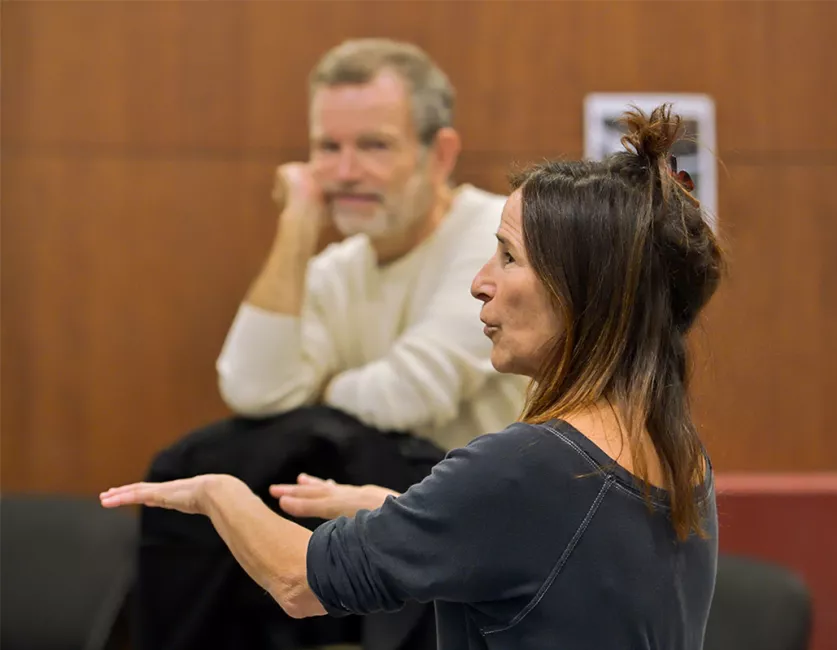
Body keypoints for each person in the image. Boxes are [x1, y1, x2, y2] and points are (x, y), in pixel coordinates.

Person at [104, 103, 725, 649]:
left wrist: (219, 493)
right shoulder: (678, 454)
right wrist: (399, 510)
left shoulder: (531, 465)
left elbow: (298, 580)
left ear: (583, 294)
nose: (481, 281)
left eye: (509, 257)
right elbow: (547, 547)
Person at [133, 38, 527, 650]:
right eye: (328, 148)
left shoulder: (493, 238)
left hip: (488, 553)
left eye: (373, 146)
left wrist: (315, 391)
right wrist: (297, 226)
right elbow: (252, 390)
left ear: (439, 154)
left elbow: (407, 395)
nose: (344, 172)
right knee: (220, 465)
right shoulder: (337, 267)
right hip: (382, 545)